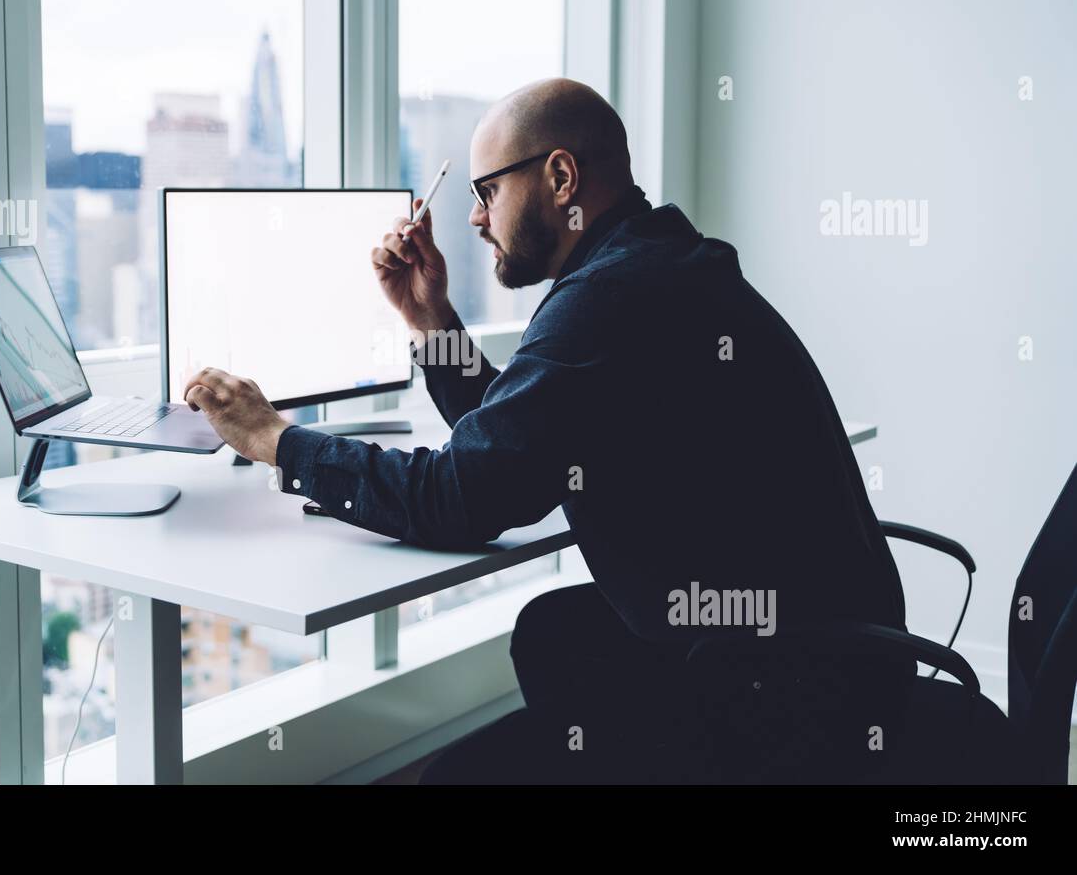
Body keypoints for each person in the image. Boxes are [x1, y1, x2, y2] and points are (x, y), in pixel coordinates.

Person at [181, 78, 912, 782]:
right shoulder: (660, 259)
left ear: (561, 177)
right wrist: (431, 320)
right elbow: (523, 436)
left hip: (788, 699)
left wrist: (277, 438)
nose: (474, 219)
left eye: (487, 191)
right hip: (831, 650)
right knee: (553, 633)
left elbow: (460, 495)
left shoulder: (609, 296)